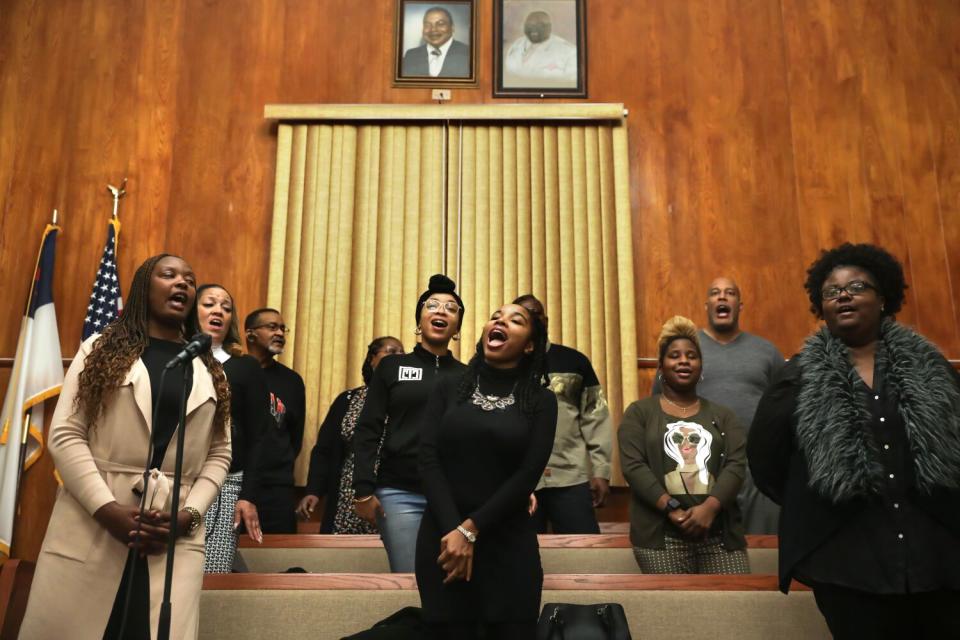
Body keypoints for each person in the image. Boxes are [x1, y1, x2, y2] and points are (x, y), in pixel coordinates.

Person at [748, 243, 960, 638]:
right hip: (847, 563)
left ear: (883, 300)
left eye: (857, 286)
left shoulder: (931, 368)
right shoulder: (797, 378)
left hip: (938, 558)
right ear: (821, 307)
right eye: (831, 291)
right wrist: (820, 497)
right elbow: (767, 461)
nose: (843, 295)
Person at [19, 254, 231, 639]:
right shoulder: (99, 350)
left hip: (171, 535)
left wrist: (189, 515)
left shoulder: (209, 368)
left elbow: (220, 454)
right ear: (144, 287)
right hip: (95, 522)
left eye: (189, 278)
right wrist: (108, 510)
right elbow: (66, 435)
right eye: (169, 275)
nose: (182, 283)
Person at [416, 302, 557, 639]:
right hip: (444, 540)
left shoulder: (541, 400)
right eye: (496, 316)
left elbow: (528, 474)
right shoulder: (449, 385)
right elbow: (427, 458)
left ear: (530, 345)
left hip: (507, 542)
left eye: (515, 320)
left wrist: (471, 530)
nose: (501, 321)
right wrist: (455, 533)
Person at [353, 274, 467, 572]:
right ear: (420, 321)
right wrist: (363, 489)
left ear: (457, 329)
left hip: (456, 494)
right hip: (399, 492)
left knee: (453, 582)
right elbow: (368, 429)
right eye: (432, 305)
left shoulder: (469, 377)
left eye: (451, 309)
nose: (441, 311)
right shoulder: (393, 367)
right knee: (410, 578)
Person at [652, 277, 784, 533]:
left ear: (740, 305)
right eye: (715, 293)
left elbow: (783, 407)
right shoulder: (684, 351)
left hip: (753, 466)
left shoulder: (766, 352)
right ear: (707, 305)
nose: (722, 297)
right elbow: (659, 404)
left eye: (730, 293)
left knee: (762, 546)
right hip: (698, 465)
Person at [619, 316, 749, 574]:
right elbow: (633, 467)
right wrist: (672, 508)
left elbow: (736, 465)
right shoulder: (639, 413)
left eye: (691, 355)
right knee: (675, 612)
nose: (683, 361)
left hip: (719, 536)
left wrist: (709, 509)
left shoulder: (724, 416)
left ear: (701, 366)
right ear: (660, 365)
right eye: (674, 356)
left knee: (734, 609)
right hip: (661, 537)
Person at [514, 294, 612, 534]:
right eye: (523, 315)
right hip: (517, 479)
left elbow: (595, 416)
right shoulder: (503, 362)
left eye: (536, 314)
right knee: (519, 556)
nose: (532, 319)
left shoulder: (574, 361)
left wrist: (601, 471)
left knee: (584, 555)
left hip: (570, 477)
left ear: (546, 320)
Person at [190, 284, 271, 572]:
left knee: (211, 576)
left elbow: (261, 435)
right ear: (192, 311)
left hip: (227, 484)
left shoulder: (245, 366)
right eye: (209, 304)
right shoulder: (176, 361)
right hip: (175, 482)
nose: (218, 311)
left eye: (225, 308)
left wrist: (248, 495)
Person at [297, 336, 405, 534]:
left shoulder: (409, 401)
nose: (399, 357)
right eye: (391, 351)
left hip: (394, 494)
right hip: (349, 497)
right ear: (372, 359)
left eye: (402, 353)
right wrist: (314, 490)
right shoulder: (348, 399)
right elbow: (324, 450)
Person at [245, 307, 306, 534]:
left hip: (277, 488)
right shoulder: (233, 371)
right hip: (234, 483)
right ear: (250, 334)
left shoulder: (292, 381)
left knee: (278, 559)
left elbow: (295, 436)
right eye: (272, 327)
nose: (280, 333)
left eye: (282, 328)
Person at [504, 10, 577, 84]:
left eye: (540, 25)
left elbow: (570, 84)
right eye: (529, 25)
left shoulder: (569, 52)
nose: (534, 29)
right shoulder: (516, 45)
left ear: (549, 27)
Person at [402, 6, 470, 78]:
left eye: (440, 24)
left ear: (452, 27)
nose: (433, 29)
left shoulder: (468, 53)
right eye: (427, 25)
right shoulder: (411, 55)